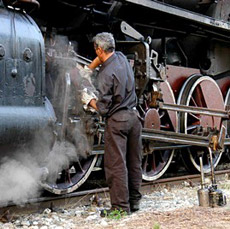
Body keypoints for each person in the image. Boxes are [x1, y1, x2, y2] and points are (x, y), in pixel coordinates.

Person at [81, 32, 142, 215]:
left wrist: (88, 100)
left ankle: (120, 208)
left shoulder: (105, 76)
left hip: (118, 122)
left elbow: (103, 108)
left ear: (99, 50)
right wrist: (90, 67)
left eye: (96, 50)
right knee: (134, 162)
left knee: (115, 165)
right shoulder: (121, 58)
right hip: (134, 117)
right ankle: (134, 202)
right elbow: (103, 59)